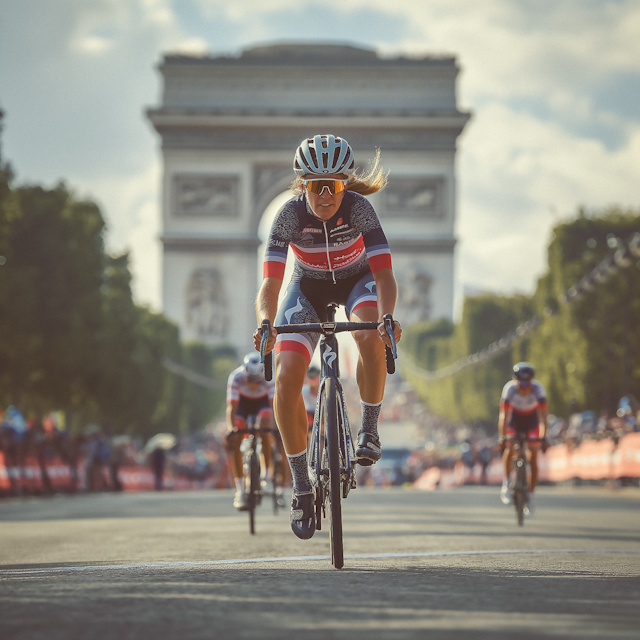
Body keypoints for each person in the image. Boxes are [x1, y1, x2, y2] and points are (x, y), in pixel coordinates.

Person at [254, 134, 402, 540]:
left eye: (334, 185)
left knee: (372, 337)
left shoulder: (361, 210)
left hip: (358, 281)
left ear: (345, 184)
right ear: (303, 185)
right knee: (286, 378)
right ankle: (301, 485)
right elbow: (270, 284)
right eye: (316, 186)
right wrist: (267, 323)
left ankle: (368, 428)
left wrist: (388, 318)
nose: (325, 195)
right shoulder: (287, 217)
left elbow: (385, 274)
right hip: (307, 289)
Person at [225, 352, 276, 510]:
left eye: (256, 381)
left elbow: (274, 406)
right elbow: (232, 407)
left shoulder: (270, 377)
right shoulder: (235, 377)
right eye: (249, 380)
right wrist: (231, 430)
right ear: (244, 372)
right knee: (235, 439)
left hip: (262, 403)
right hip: (242, 405)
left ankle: (265, 478)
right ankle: (240, 490)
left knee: (265, 427)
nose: (253, 385)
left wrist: (274, 429)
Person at [498, 362, 549, 514]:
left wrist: (543, 437)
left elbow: (543, 418)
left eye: (528, 384)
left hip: (531, 421)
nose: (525, 388)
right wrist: (502, 437)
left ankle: (531, 495)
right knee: (509, 445)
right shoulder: (509, 390)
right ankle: (506, 484)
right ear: (516, 382)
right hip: (515, 420)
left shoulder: (538, 390)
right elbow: (504, 417)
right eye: (521, 384)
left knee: (533, 455)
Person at [302, 364, 321, 433]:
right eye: (310, 377)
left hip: (323, 416)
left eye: (314, 377)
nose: (312, 380)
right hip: (309, 418)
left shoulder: (326, 392)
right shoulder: (304, 391)